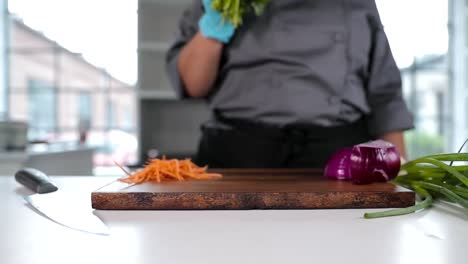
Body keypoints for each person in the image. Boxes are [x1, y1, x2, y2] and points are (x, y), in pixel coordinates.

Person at [165, 0, 414, 168]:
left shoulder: (357, 4)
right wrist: (214, 27)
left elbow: (385, 98)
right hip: (237, 157)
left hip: (338, 162)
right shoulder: (220, 3)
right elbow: (193, 84)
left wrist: (401, 175)